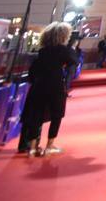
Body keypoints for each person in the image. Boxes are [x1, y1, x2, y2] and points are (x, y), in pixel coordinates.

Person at [20, 22, 77, 157]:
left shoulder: (42, 51)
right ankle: (49, 146)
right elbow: (73, 61)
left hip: (39, 86)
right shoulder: (64, 50)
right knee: (57, 115)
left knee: (36, 115)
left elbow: (32, 72)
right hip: (55, 85)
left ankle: (32, 147)